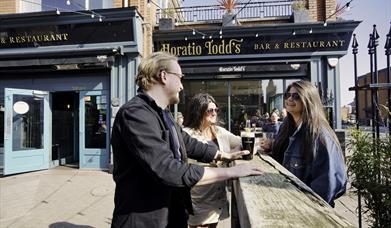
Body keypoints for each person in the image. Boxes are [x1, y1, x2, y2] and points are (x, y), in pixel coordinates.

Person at [110, 51, 263, 228]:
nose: (182, 86)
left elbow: (189, 144)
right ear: (164, 76)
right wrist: (231, 172)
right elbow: (168, 170)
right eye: (180, 77)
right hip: (144, 220)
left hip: (171, 214)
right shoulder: (136, 114)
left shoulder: (163, 114)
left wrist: (225, 156)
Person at [263, 80, 346, 207]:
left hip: (305, 209)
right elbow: (285, 159)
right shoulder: (286, 126)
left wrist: (302, 206)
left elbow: (326, 187)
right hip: (284, 201)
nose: (290, 99)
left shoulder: (320, 136)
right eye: (288, 95)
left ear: (308, 101)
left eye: (296, 96)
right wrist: (271, 147)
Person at [183, 93, 242, 228]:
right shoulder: (186, 134)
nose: (214, 113)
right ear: (198, 112)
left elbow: (243, 142)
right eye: (210, 110)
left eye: (216, 110)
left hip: (218, 199)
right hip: (197, 200)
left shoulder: (219, 132)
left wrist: (247, 146)